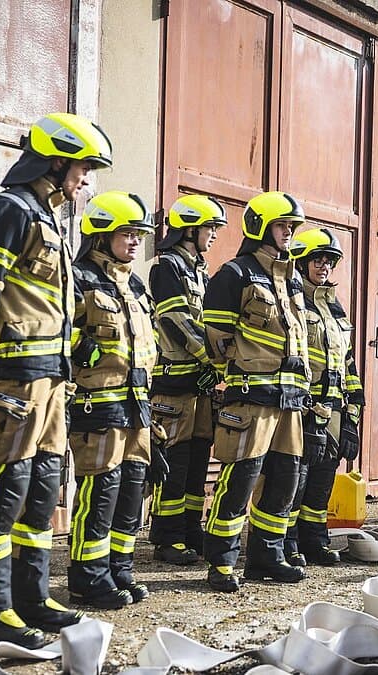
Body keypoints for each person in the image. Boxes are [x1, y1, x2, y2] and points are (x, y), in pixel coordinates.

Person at [0, 113, 113, 646]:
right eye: (84, 169)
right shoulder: (10, 209)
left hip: (51, 378)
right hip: (17, 376)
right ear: (55, 162)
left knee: (45, 487)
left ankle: (31, 596)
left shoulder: (49, 219)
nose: (86, 181)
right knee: (5, 491)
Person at [201, 191, 310, 591]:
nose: (289, 234)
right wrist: (235, 375)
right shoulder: (235, 273)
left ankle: (267, 554)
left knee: (286, 477)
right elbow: (217, 337)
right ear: (261, 227)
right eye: (283, 227)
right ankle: (222, 561)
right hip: (251, 398)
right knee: (240, 478)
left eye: (292, 228)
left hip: (290, 400)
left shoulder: (293, 277)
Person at [66, 191, 163, 609]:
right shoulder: (79, 277)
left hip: (137, 408)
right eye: (127, 233)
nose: (135, 241)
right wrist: (79, 348)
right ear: (101, 235)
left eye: (139, 234)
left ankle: (119, 570)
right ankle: (88, 578)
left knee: (130, 492)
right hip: (97, 406)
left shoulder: (136, 284)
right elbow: (60, 335)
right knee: (100, 492)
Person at [148, 194, 228, 565]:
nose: (213, 235)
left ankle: (190, 528)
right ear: (190, 229)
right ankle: (166, 536)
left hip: (199, 386)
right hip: (173, 387)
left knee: (198, 461)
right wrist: (213, 357)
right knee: (175, 463)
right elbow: (176, 321)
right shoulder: (166, 268)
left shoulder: (200, 270)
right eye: (210, 228)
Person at [279, 228, 365, 565]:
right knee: (294, 482)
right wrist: (305, 407)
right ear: (301, 262)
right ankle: (286, 544)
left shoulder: (334, 307)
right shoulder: (293, 301)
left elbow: (347, 362)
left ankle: (314, 540)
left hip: (333, 409)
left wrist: (352, 417)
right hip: (303, 409)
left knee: (321, 482)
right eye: (318, 259)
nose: (324, 266)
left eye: (329, 261)